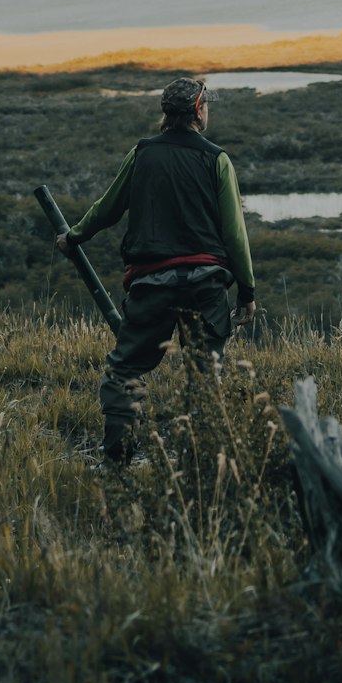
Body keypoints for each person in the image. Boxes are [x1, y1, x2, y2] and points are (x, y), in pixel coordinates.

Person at [56, 76, 257, 463]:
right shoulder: (217, 159)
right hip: (206, 287)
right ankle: (201, 464)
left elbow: (108, 207)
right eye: (207, 106)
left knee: (124, 371)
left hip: (150, 286)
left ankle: (118, 460)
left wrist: (74, 236)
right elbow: (235, 233)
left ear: (167, 115)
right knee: (205, 376)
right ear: (199, 111)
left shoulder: (142, 153)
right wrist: (247, 291)